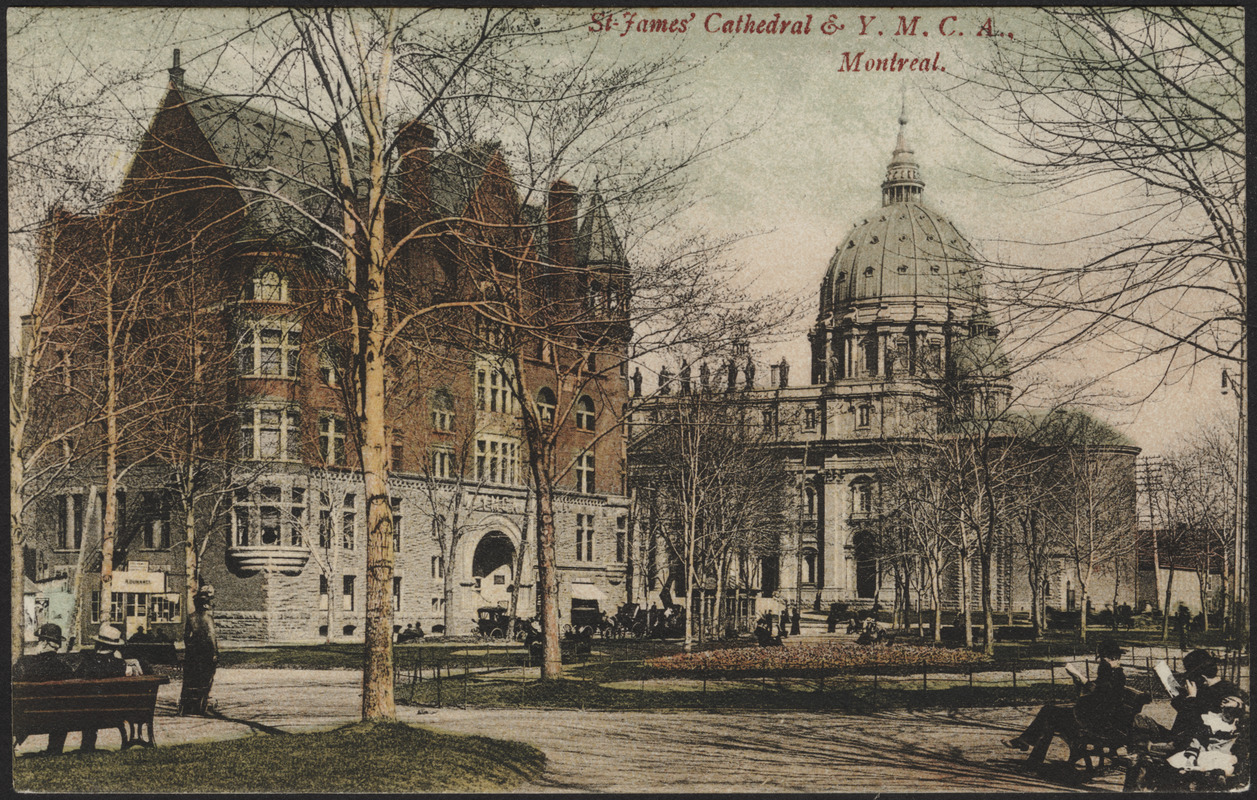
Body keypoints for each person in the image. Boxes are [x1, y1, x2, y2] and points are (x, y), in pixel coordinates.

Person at [1004, 638, 1128, 765]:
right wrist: (1080, 681)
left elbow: (1101, 695)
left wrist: (1086, 683)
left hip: (1095, 722)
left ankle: (1028, 748)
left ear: (1114, 658)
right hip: (1092, 717)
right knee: (1049, 713)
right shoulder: (1110, 673)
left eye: (1103, 659)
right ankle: (1028, 748)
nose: (1101, 662)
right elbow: (1099, 691)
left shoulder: (1115, 675)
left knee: (1049, 713)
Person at [14, 623, 76, 754]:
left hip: (27, 718)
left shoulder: (25, 665)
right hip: (58, 721)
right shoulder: (65, 668)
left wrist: (36, 655)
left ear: (43, 642)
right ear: (57, 645)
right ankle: (55, 749)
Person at [71, 624, 132, 752]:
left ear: (98, 644)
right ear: (115, 647)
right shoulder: (120, 665)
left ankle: (87, 746)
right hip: (115, 713)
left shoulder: (87, 663)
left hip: (87, 713)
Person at [179, 585, 219, 716]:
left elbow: (186, 636)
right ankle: (201, 706)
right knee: (205, 679)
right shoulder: (208, 618)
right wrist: (214, 652)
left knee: (190, 679)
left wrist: (190, 647)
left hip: (192, 652)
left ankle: (186, 706)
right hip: (206, 652)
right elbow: (211, 636)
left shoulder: (191, 618)